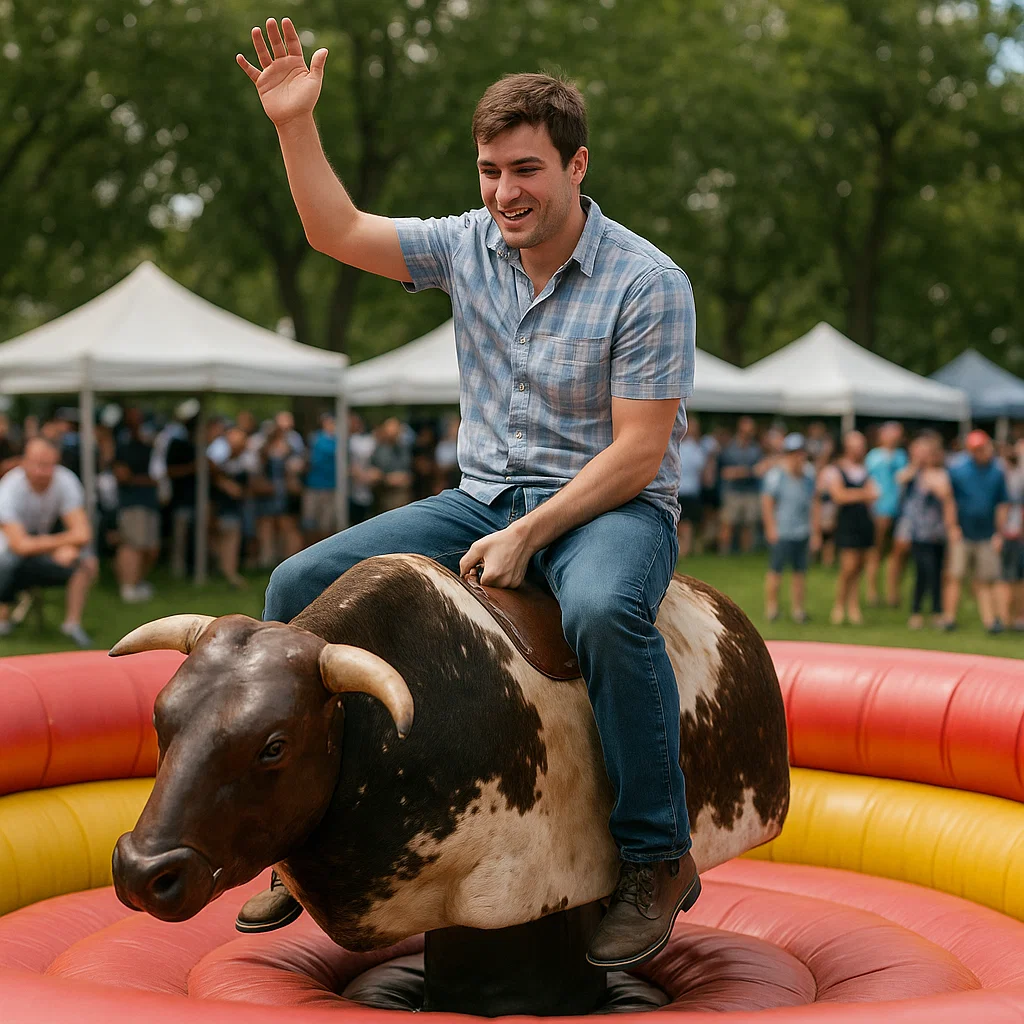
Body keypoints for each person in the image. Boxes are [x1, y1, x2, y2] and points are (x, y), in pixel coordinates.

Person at [236, 26, 699, 967]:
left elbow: (641, 451)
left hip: (609, 503)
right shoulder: (466, 247)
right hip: (480, 496)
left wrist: (533, 530)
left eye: (525, 169)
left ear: (576, 165)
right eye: (490, 171)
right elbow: (336, 230)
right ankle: (298, 844)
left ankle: (660, 856)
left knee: (607, 609)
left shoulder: (649, 282)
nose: (504, 193)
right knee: (294, 589)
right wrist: (295, 127)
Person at [0, 437, 96, 647]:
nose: (43, 471)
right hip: (8, 552)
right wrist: (59, 546)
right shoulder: (8, 487)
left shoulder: (66, 480)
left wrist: (65, 547)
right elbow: (19, 545)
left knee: (86, 561)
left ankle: (72, 625)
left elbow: (83, 533)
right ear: (24, 462)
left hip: (40, 548)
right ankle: (3, 616)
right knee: (5, 560)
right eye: (38, 464)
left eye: (49, 465)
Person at [946, 430, 1009, 633]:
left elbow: (1002, 504)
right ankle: (949, 618)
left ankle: (991, 621)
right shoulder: (959, 470)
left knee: (986, 578)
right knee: (955, 575)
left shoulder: (997, 471)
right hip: (963, 531)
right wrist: (953, 526)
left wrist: (999, 532)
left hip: (987, 532)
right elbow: (950, 501)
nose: (981, 452)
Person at [895, 432, 958, 630]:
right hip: (917, 532)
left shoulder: (941, 474)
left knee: (936, 572)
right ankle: (916, 611)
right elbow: (901, 479)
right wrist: (916, 464)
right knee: (922, 571)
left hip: (936, 532)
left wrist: (951, 527)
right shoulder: (913, 473)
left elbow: (946, 497)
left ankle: (936, 611)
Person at [761, 433, 818, 624]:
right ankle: (772, 608)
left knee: (799, 572)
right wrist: (771, 527)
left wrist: (814, 530)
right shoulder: (776, 476)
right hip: (782, 530)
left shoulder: (809, 474)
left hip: (801, 530)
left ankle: (798, 610)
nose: (799, 457)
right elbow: (767, 502)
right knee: (775, 570)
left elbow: (813, 502)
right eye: (794, 453)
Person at [821, 431, 878, 625]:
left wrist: (857, 494)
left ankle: (853, 606)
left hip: (864, 522)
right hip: (847, 524)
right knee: (848, 567)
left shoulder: (865, 470)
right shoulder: (836, 470)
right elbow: (839, 496)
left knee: (859, 567)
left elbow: (875, 494)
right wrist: (864, 494)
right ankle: (839, 605)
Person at [113, 408, 161, 603]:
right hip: (131, 503)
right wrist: (149, 481)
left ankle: (137, 582)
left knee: (150, 547)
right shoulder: (122, 445)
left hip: (149, 502)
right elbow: (122, 476)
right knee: (132, 545)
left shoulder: (149, 445)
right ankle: (128, 586)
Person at [864, 422, 909, 607]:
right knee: (876, 550)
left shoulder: (901, 456)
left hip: (899, 509)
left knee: (896, 553)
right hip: (879, 509)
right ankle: (872, 591)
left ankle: (892, 592)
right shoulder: (874, 457)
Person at [717, 416, 763, 554]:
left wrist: (741, 472)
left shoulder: (756, 449)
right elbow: (725, 472)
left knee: (748, 524)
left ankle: (745, 554)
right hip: (733, 491)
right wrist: (749, 471)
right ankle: (723, 552)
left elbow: (760, 469)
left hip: (750, 491)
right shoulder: (730, 448)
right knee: (728, 523)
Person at [997, 440, 1024, 631]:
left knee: (1018, 577)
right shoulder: (1001, 473)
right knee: (1005, 576)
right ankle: (1004, 617)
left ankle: (1017, 617)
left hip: (1017, 533)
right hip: (1006, 532)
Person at [302, 412, 340, 542]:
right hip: (315, 485)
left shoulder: (339, 440)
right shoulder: (316, 438)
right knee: (310, 521)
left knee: (327, 523)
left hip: (331, 486)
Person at [676, 415, 707, 557]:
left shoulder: (696, 447)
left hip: (690, 490)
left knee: (687, 523)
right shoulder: (680, 445)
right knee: (679, 522)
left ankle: (685, 550)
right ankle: (680, 549)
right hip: (679, 489)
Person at [368, 417, 414, 513]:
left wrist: (405, 477)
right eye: (391, 429)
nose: (394, 432)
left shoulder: (405, 449)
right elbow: (372, 473)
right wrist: (386, 478)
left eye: (396, 429)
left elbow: (410, 471)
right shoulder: (378, 450)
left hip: (402, 496)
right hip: (384, 496)